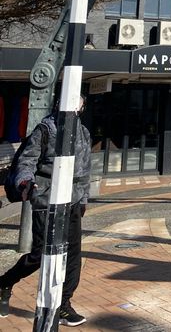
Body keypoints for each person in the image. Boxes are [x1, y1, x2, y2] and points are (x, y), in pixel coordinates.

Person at [0, 95, 91, 326]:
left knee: (73, 257)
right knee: (41, 254)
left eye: (78, 100)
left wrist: (83, 199)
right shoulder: (46, 129)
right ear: (59, 104)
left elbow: (85, 169)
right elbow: (27, 161)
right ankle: (4, 282)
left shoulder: (83, 132)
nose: (73, 104)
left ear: (82, 105)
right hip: (47, 199)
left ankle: (63, 305)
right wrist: (25, 183)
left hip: (72, 201)